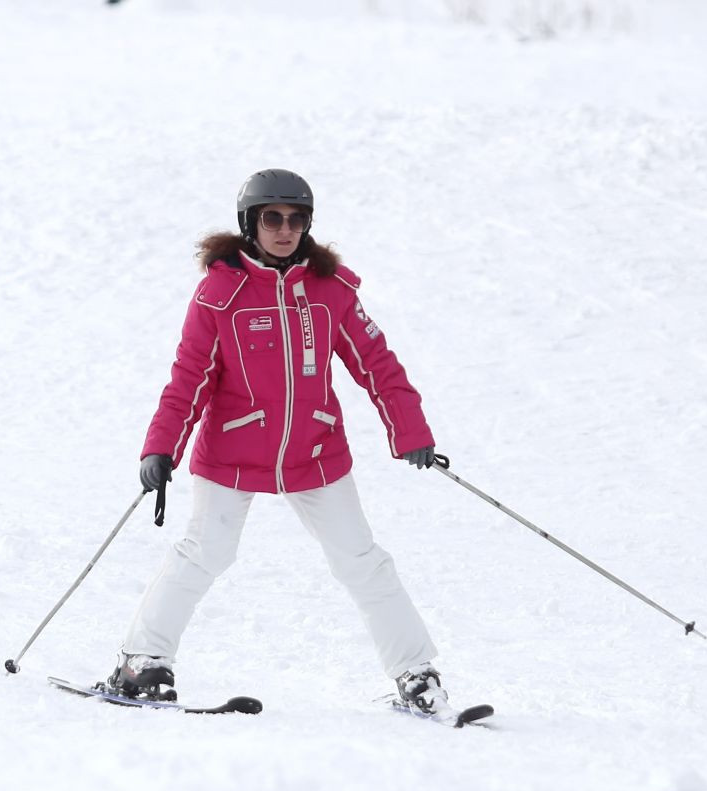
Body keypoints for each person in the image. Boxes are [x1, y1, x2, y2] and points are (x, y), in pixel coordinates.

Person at [104, 169, 451, 714]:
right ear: (250, 223)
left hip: (315, 453)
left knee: (363, 561)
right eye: (272, 218)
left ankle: (417, 676)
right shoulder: (221, 294)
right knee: (205, 553)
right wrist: (161, 447)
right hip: (232, 454)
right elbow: (189, 375)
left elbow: (377, 364)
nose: (285, 230)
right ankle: (140, 665)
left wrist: (410, 431)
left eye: (296, 219)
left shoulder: (330, 291)